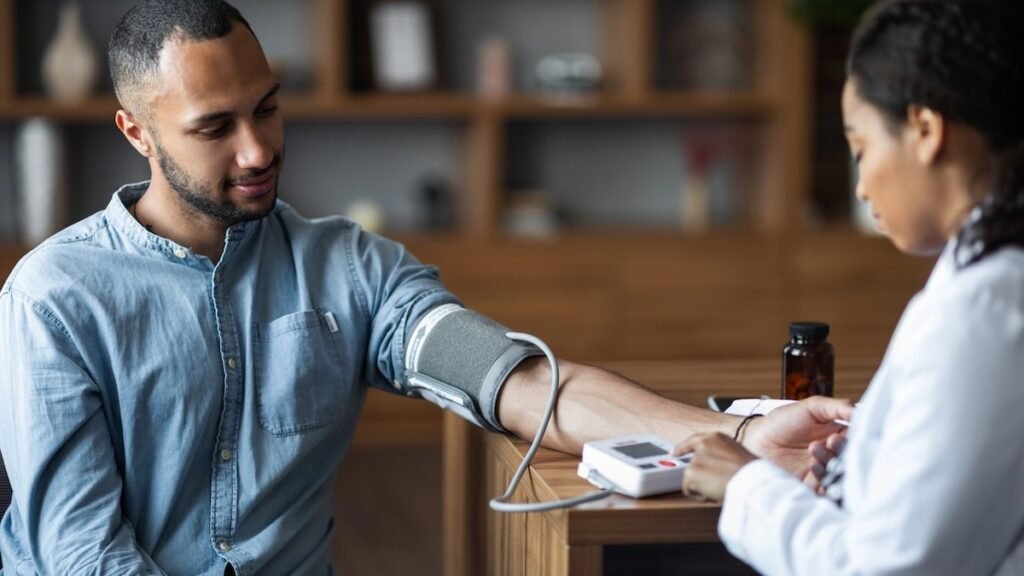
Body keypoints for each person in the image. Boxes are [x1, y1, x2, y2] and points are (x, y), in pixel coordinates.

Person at [0, 1, 850, 574]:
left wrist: (739, 429)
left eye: (267, 108)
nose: (257, 149)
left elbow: (520, 383)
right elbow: (82, 555)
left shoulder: (349, 269)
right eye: (215, 127)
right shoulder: (55, 298)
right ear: (137, 132)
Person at [675, 0, 1024, 574]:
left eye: (861, 149)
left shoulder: (980, 314)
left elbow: (881, 569)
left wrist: (746, 486)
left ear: (925, 130)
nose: (861, 188)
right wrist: (866, 467)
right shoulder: (985, 278)